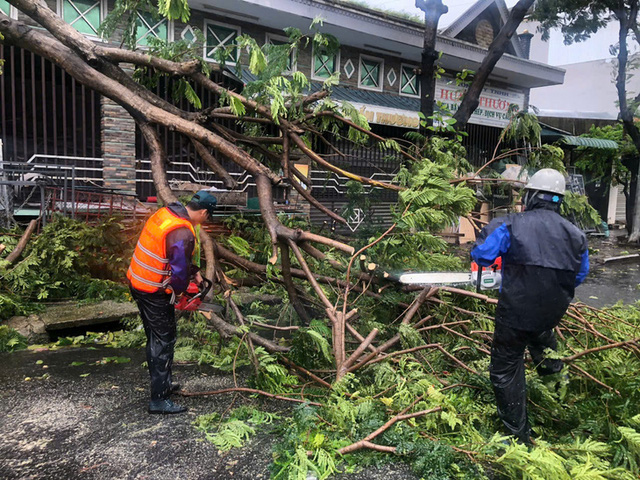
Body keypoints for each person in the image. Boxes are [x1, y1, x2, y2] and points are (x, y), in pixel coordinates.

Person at [470, 168, 589, 444]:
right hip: (551, 313)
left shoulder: (511, 224)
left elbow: (482, 254)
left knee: (506, 368)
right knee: (546, 351)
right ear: (559, 199)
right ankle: (562, 410)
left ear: (531, 195)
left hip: (515, 312)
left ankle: (517, 437)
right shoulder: (576, 235)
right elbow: (579, 275)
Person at [127, 191, 217, 414]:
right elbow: (178, 273)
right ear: (204, 212)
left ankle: (162, 385)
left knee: (154, 338)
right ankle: (158, 399)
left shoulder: (168, 213)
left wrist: (194, 273)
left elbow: (176, 256)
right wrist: (179, 293)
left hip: (138, 282)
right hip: (153, 291)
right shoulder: (182, 232)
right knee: (164, 340)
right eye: (208, 216)